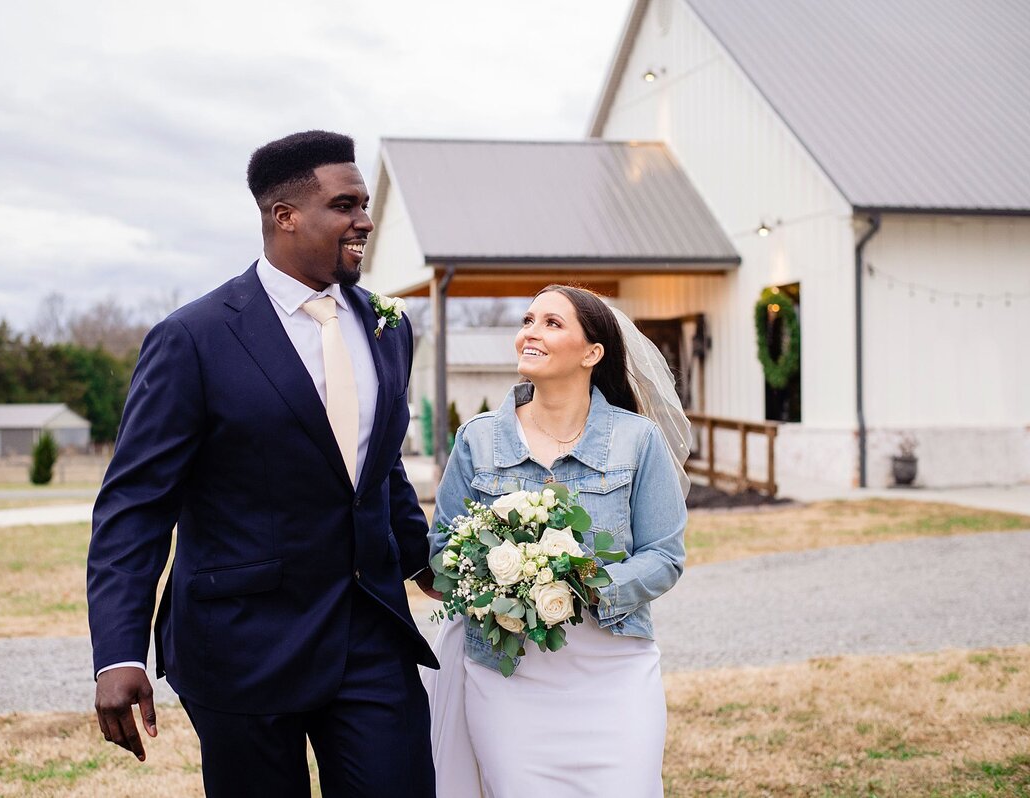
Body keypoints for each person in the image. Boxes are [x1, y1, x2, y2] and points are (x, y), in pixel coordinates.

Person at [87, 130, 438, 798]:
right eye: (346, 204)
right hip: (242, 646)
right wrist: (119, 651)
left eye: (365, 203)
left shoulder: (388, 329)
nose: (365, 219)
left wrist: (426, 564)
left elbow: (374, 466)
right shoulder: (194, 338)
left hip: (371, 638)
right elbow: (135, 506)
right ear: (286, 216)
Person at [424, 285, 691, 797]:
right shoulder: (477, 440)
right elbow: (443, 551)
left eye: (552, 323)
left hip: (614, 671)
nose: (530, 332)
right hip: (508, 678)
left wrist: (586, 585)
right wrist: (499, 576)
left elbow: (665, 556)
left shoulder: (638, 441)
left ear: (593, 353)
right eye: (528, 320)